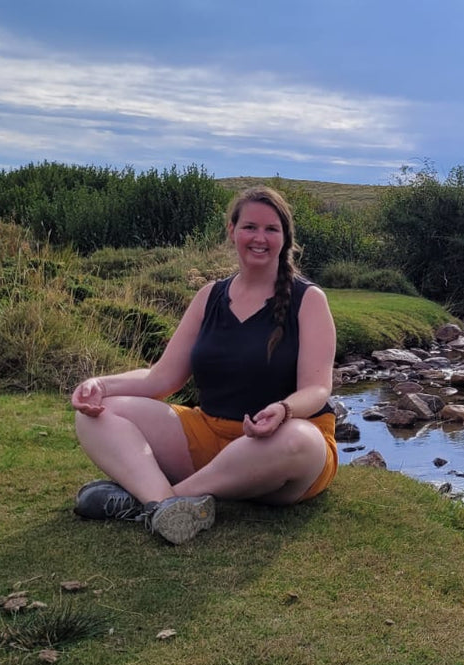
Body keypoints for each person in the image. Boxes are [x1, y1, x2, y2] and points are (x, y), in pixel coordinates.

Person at [68, 186, 338, 544]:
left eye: (271, 229)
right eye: (250, 227)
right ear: (232, 231)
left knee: (297, 440)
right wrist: (102, 385)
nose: (260, 238)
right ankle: (165, 506)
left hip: (279, 451)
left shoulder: (309, 300)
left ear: (285, 237)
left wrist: (284, 409)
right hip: (209, 437)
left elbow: (318, 389)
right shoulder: (209, 296)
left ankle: (156, 500)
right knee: (96, 414)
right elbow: (161, 378)